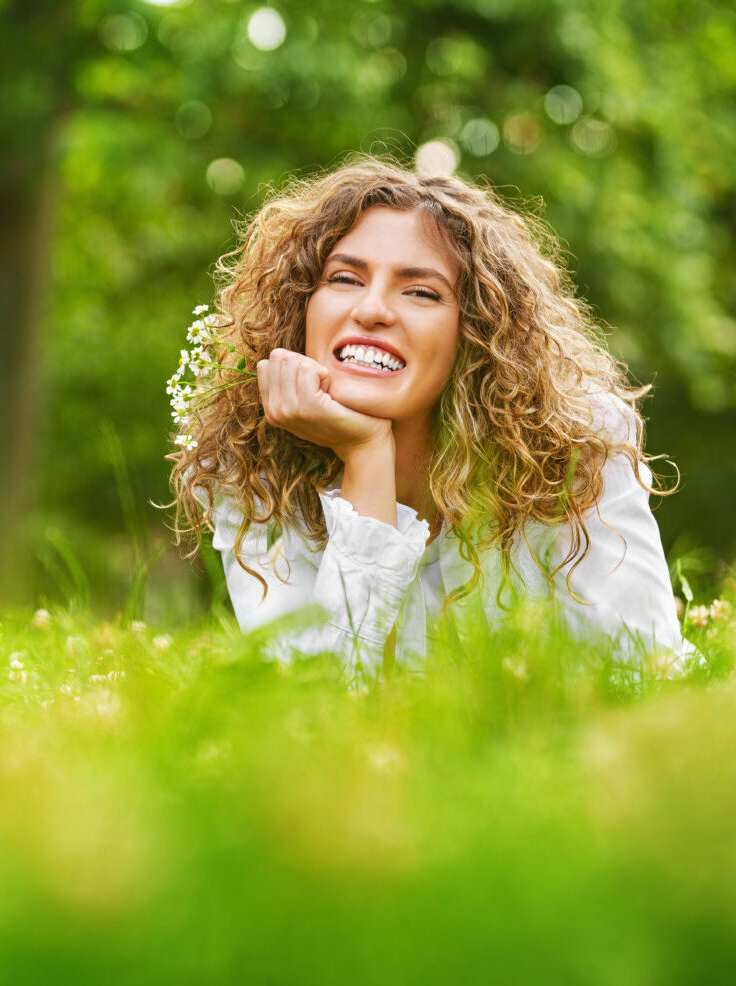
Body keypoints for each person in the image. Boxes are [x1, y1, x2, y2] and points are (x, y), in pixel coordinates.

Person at [168, 156, 693, 677]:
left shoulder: (574, 449)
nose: (372, 309)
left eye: (420, 291)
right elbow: (319, 703)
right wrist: (367, 457)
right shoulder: (252, 473)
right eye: (345, 279)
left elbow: (646, 673)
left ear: (477, 332)